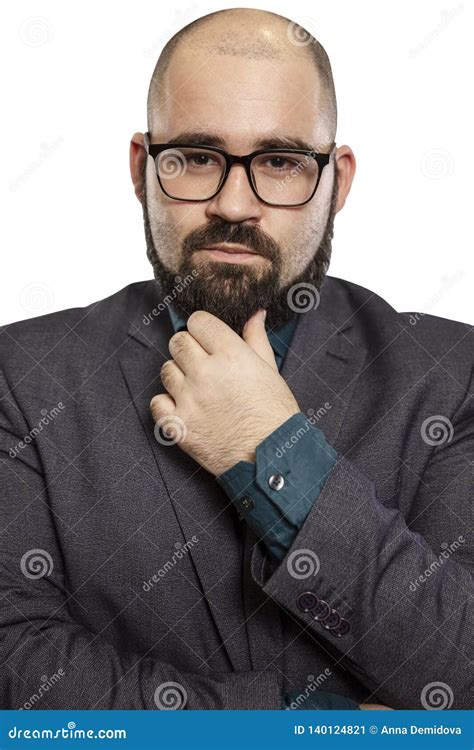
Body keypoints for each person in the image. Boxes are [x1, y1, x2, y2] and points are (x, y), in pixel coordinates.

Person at [0, 8, 471, 711]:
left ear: (337, 182)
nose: (233, 203)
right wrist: (299, 725)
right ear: (142, 169)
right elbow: (16, 664)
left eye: (279, 161)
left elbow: (460, 666)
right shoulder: (21, 375)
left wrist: (271, 448)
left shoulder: (453, 375)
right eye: (196, 156)